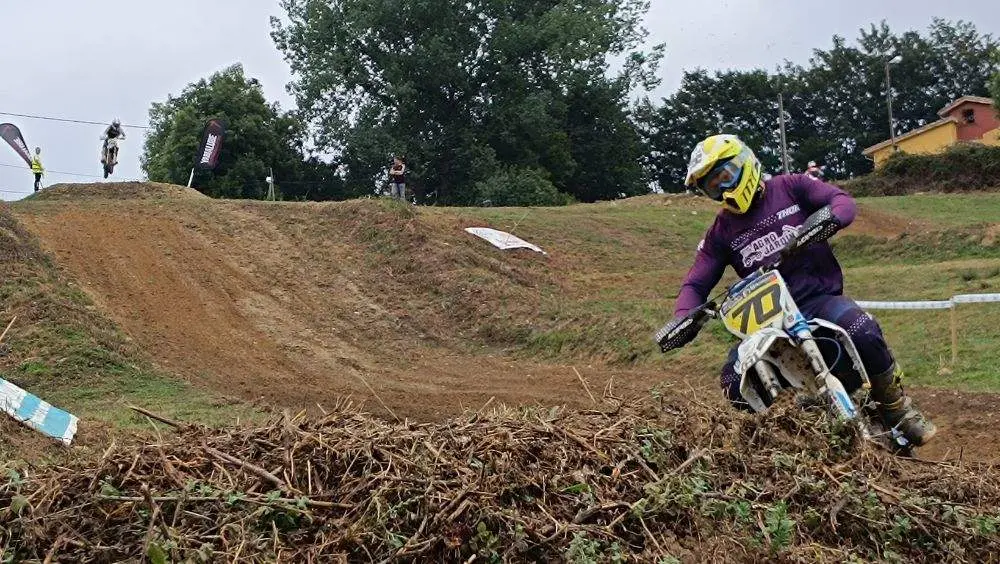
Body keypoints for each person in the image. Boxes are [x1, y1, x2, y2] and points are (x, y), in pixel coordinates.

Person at [668, 134, 935, 446]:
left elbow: (842, 201)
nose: (724, 189)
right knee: (731, 379)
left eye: (725, 177)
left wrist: (828, 218)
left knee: (861, 328)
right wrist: (683, 317)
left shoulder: (791, 186)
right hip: (766, 322)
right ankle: (783, 443)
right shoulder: (720, 231)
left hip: (816, 301)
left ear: (745, 162)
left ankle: (896, 409)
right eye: (713, 186)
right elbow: (696, 282)